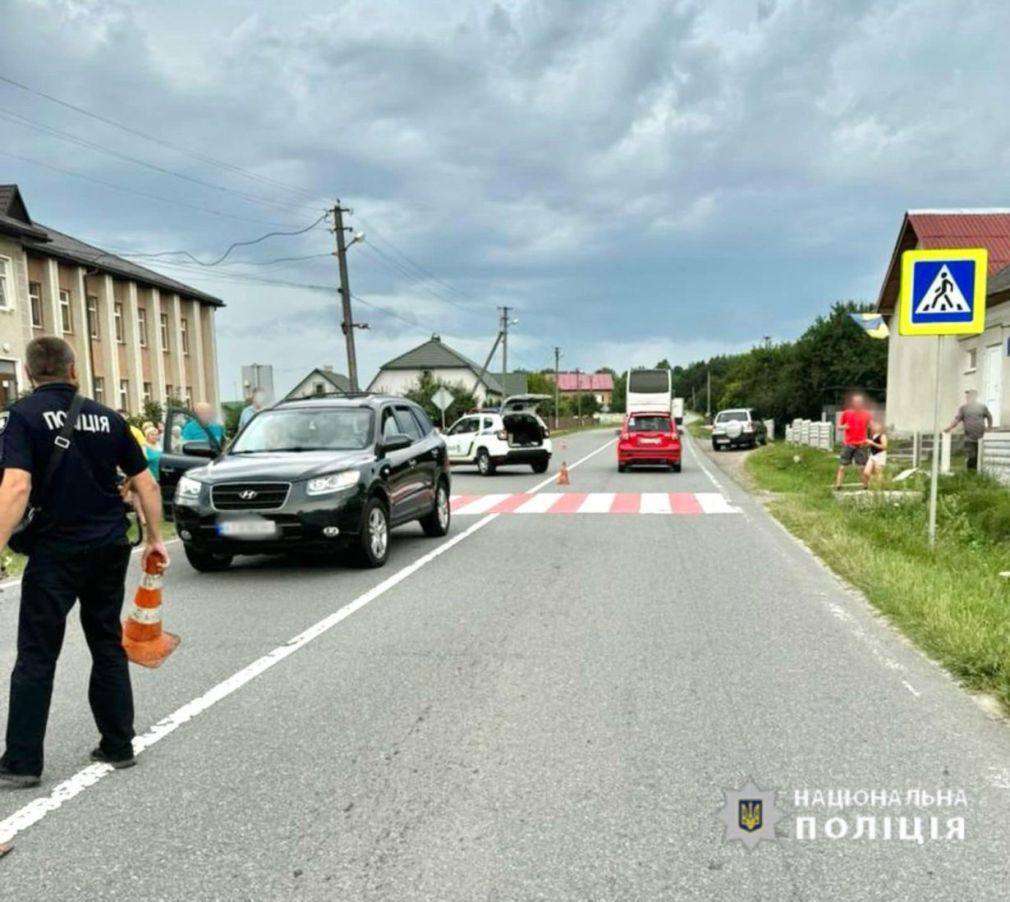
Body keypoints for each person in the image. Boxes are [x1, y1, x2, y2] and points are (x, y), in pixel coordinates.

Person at [0, 337, 168, 787]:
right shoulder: (109, 417)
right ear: (74, 371)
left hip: (55, 552)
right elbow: (146, 484)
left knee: (37, 654)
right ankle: (118, 745)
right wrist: (155, 539)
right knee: (106, 643)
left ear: (31, 375)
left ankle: (22, 763)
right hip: (109, 547)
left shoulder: (22, 417)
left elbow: (16, 487)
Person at [944, 389, 993, 471]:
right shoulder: (963, 408)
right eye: (967, 396)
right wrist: (949, 428)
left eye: (970, 395)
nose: (968, 397)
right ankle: (970, 473)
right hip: (969, 438)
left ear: (975, 397)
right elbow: (957, 420)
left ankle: (978, 473)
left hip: (981, 437)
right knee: (971, 456)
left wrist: (989, 427)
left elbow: (989, 416)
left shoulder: (982, 407)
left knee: (979, 457)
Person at [835, 393, 872, 489]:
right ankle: (839, 485)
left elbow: (870, 427)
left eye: (859, 402)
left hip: (861, 444)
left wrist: (869, 440)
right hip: (849, 444)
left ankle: (866, 486)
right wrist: (844, 427)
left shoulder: (866, 414)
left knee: (861, 467)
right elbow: (839, 427)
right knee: (842, 466)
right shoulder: (846, 413)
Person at [863, 419, 888, 486]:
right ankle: (877, 482)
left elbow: (884, 447)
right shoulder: (872, 435)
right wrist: (866, 444)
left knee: (878, 472)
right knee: (866, 472)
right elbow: (869, 445)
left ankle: (879, 487)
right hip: (873, 455)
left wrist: (872, 443)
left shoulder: (882, 435)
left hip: (880, 455)